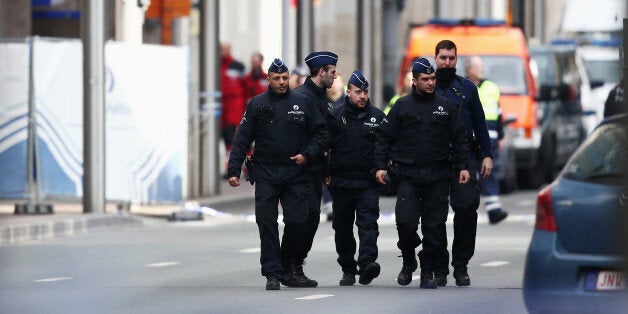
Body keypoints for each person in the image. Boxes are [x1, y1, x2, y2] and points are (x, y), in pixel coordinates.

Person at [227, 59, 328, 290]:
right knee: (267, 223)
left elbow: (321, 134)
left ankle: (286, 265)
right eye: (277, 78)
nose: (282, 82)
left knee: (297, 221)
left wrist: (308, 155)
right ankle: (272, 273)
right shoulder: (257, 105)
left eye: (284, 78)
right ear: (268, 79)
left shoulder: (302, 103)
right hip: (266, 173)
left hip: (296, 173)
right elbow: (242, 138)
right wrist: (234, 170)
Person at [374, 58, 471, 289]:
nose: (430, 83)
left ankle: (427, 270)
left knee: (433, 226)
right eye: (425, 79)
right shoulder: (401, 106)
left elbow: (459, 139)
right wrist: (379, 166)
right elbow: (384, 138)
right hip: (408, 175)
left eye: (432, 79)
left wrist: (463, 166)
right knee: (405, 222)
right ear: (414, 81)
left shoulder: (446, 106)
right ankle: (408, 260)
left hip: (437, 175)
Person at [432, 40, 493, 287]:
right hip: (434, 158)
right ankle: (438, 266)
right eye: (443, 58)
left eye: (452, 58)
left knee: (467, 210)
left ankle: (460, 265)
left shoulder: (468, 88)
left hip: (464, 156)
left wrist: (487, 154)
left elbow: (480, 122)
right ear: (435, 59)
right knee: (434, 216)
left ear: (457, 60)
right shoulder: (427, 85)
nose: (447, 62)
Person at [327, 70, 385, 286]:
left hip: (367, 182)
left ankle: (368, 263)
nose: (362, 96)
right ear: (348, 92)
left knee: (368, 224)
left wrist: (383, 168)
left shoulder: (377, 117)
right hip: (341, 182)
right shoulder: (336, 115)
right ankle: (348, 268)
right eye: (358, 92)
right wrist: (326, 173)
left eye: (365, 92)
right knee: (342, 228)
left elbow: (385, 146)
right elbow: (326, 146)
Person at [293, 51, 338, 283]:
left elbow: (328, 138)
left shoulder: (325, 100)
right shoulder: (301, 97)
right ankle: (291, 265)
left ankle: (295, 264)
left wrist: (327, 169)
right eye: (332, 72)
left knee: (311, 220)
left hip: (317, 170)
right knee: (300, 219)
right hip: (300, 170)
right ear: (321, 72)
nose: (335, 77)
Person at [465, 56, 508, 224]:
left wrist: (501, 135)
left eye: (482, 67)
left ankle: (493, 210)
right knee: (467, 173)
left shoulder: (491, 87)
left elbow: (498, 113)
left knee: (489, 173)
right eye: (478, 67)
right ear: (469, 69)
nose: (481, 70)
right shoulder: (461, 86)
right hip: (470, 139)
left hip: (490, 139)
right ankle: (467, 209)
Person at [220, 42, 247, 177]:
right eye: (221, 49)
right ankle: (230, 168)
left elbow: (246, 87)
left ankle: (236, 168)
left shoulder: (237, 66)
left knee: (233, 140)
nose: (222, 51)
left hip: (234, 109)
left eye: (225, 49)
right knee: (226, 141)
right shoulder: (215, 65)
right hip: (221, 109)